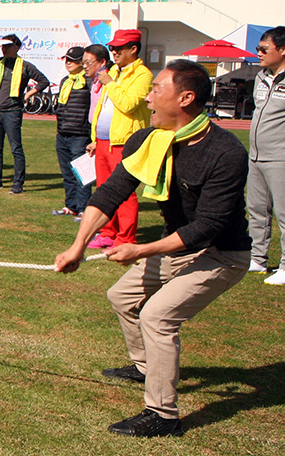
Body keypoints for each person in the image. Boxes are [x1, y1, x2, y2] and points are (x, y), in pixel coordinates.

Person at [55, 59, 251, 438]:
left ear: (186, 97)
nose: (147, 97)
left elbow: (207, 227)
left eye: (157, 89)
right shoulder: (148, 140)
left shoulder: (226, 152)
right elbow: (111, 192)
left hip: (221, 254)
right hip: (178, 246)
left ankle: (163, 415)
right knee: (122, 296)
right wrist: (78, 245)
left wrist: (140, 250)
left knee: (158, 316)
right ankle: (146, 366)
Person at [86, 29, 152, 247]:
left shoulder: (143, 75)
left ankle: (125, 237)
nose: (113, 52)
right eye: (112, 48)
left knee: (124, 191)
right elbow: (101, 107)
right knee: (104, 189)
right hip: (104, 141)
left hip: (124, 142)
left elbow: (128, 104)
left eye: (118, 48)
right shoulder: (114, 71)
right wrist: (95, 137)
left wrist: (109, 83)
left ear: (133, 49)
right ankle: (107, 232)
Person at [0, 34, 49, 193]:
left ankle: (18, 183)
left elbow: (43, 81)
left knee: (15, 148)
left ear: (17, 47)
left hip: (12, 112)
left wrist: (27, 95)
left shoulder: (25, 66)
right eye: (2, 46)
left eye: (7, 46)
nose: (3, 49)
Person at [248, 26, 285, 283]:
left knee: (284, 214)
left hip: (281, 157)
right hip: (256, 156)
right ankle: (257, 259)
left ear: (282, 50)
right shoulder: (261, 77)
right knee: (257, 210)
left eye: (264, 49)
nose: (258, 53)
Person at [51, 46, 95, 216]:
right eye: (67, 59)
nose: (68, 63)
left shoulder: (89, 82)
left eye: (73, 60)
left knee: (82, 173)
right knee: (67, 172)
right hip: (63, 133)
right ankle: (71, 206)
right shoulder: (65, 81)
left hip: (80, 134)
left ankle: (84, 208)